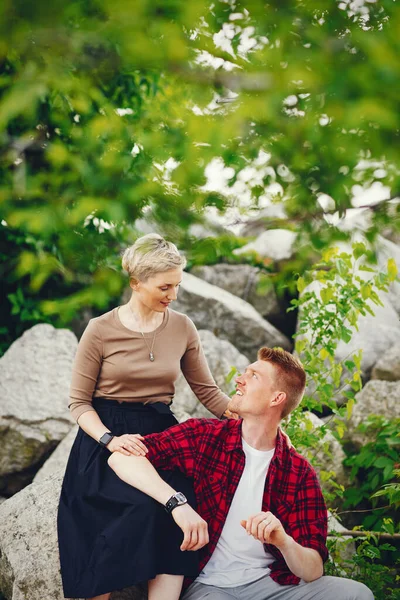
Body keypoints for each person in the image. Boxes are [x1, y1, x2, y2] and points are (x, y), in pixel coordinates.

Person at [108, 347, 374, 600]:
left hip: (272, 585)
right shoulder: (205, 436)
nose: (240, 379)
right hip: (211, 587)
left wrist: (283, 540)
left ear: (276, 398)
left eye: (253, 375)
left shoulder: (299, 472)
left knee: (357, 594)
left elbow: (313, 569)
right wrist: (177, 503)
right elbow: (122, 457)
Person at [57, 233, 231, 600]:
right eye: (165, 287)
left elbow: (208, 392)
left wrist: (258, 421)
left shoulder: (182, 327)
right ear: (136, 284)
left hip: (160, 435)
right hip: (105, 436)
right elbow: (78, 403)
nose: (173, 296)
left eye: (177, 286)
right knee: (121, 511)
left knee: (178, 508)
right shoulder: (100, 330)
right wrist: (109, 439)